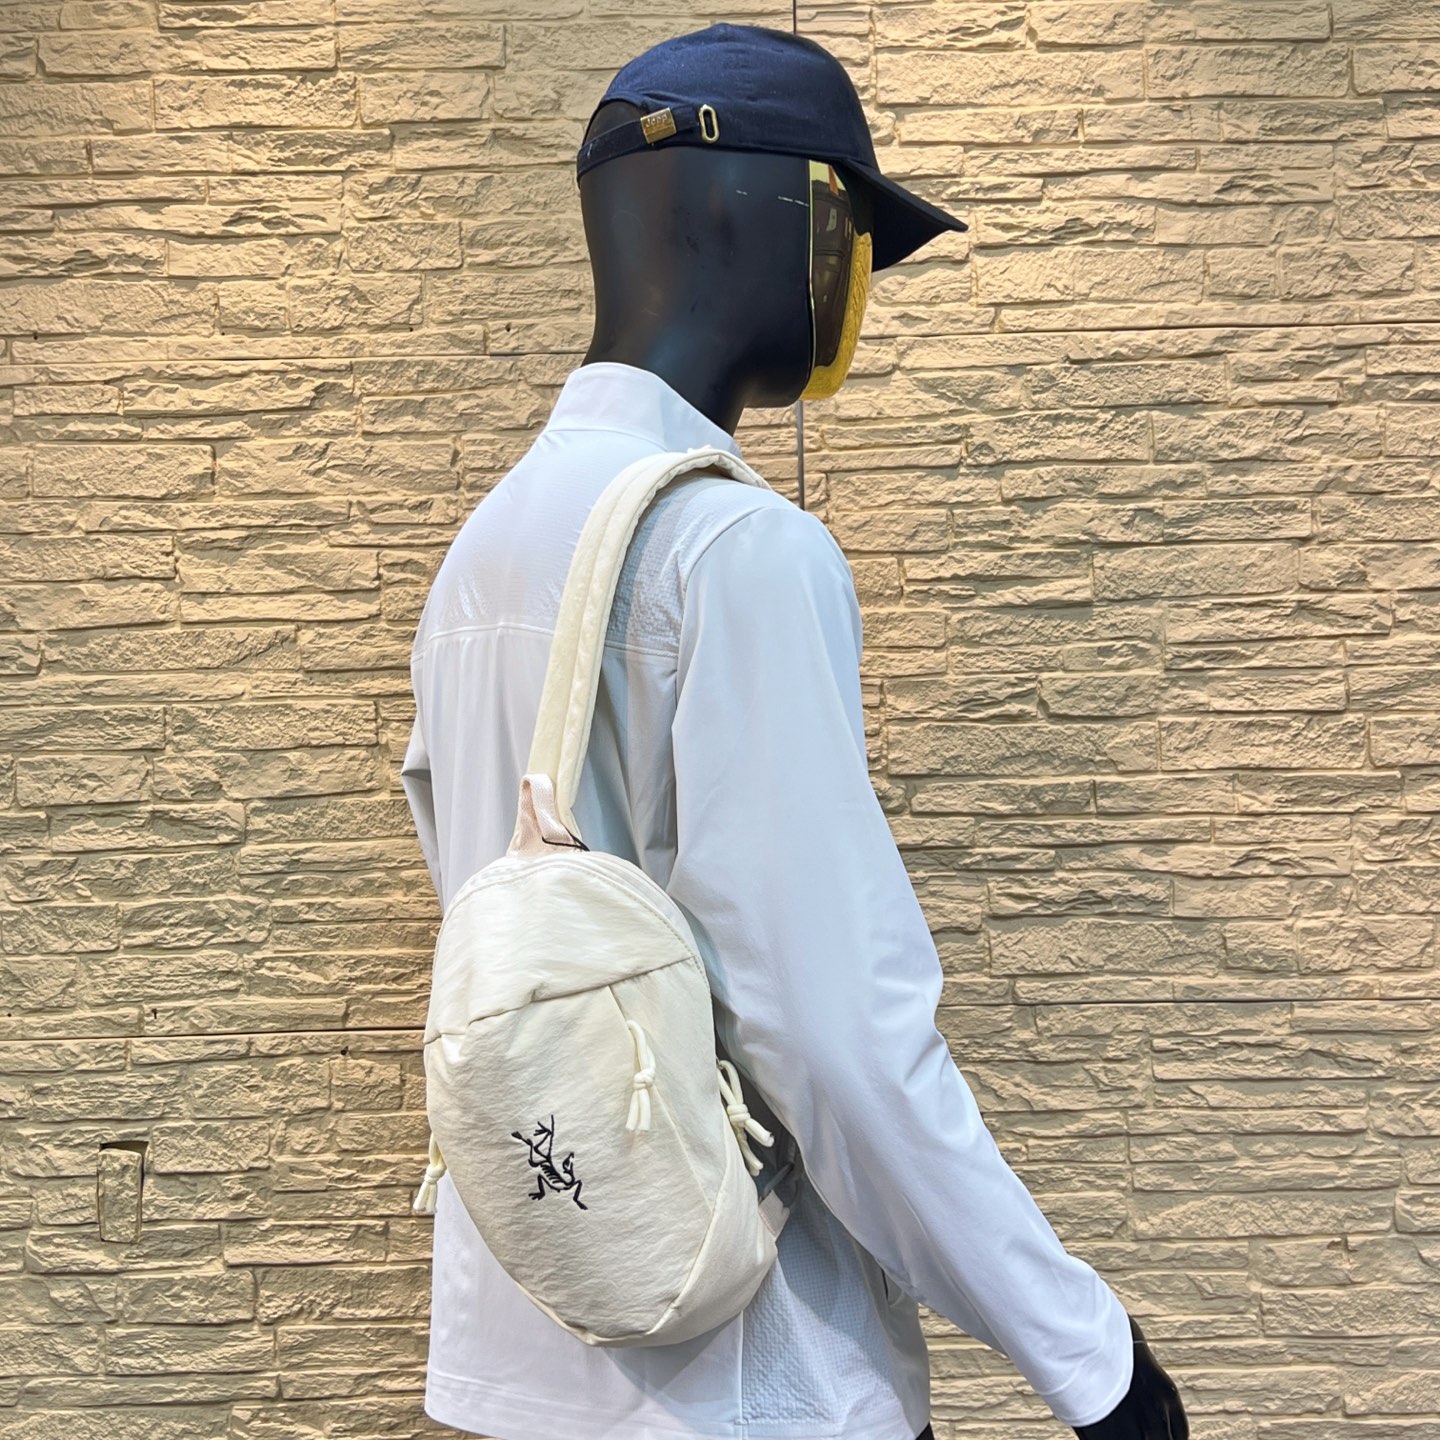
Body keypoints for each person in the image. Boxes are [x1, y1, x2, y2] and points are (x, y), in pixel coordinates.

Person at [401, 23, 1188, 1440]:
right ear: (760, 213)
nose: (860, 283)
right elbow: (836, 1038)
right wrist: (1091, 1359)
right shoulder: (737, 549)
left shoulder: (485, 551)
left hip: (524, 1352)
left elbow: (491, 921)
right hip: (749, 1374)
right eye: (856, 235)